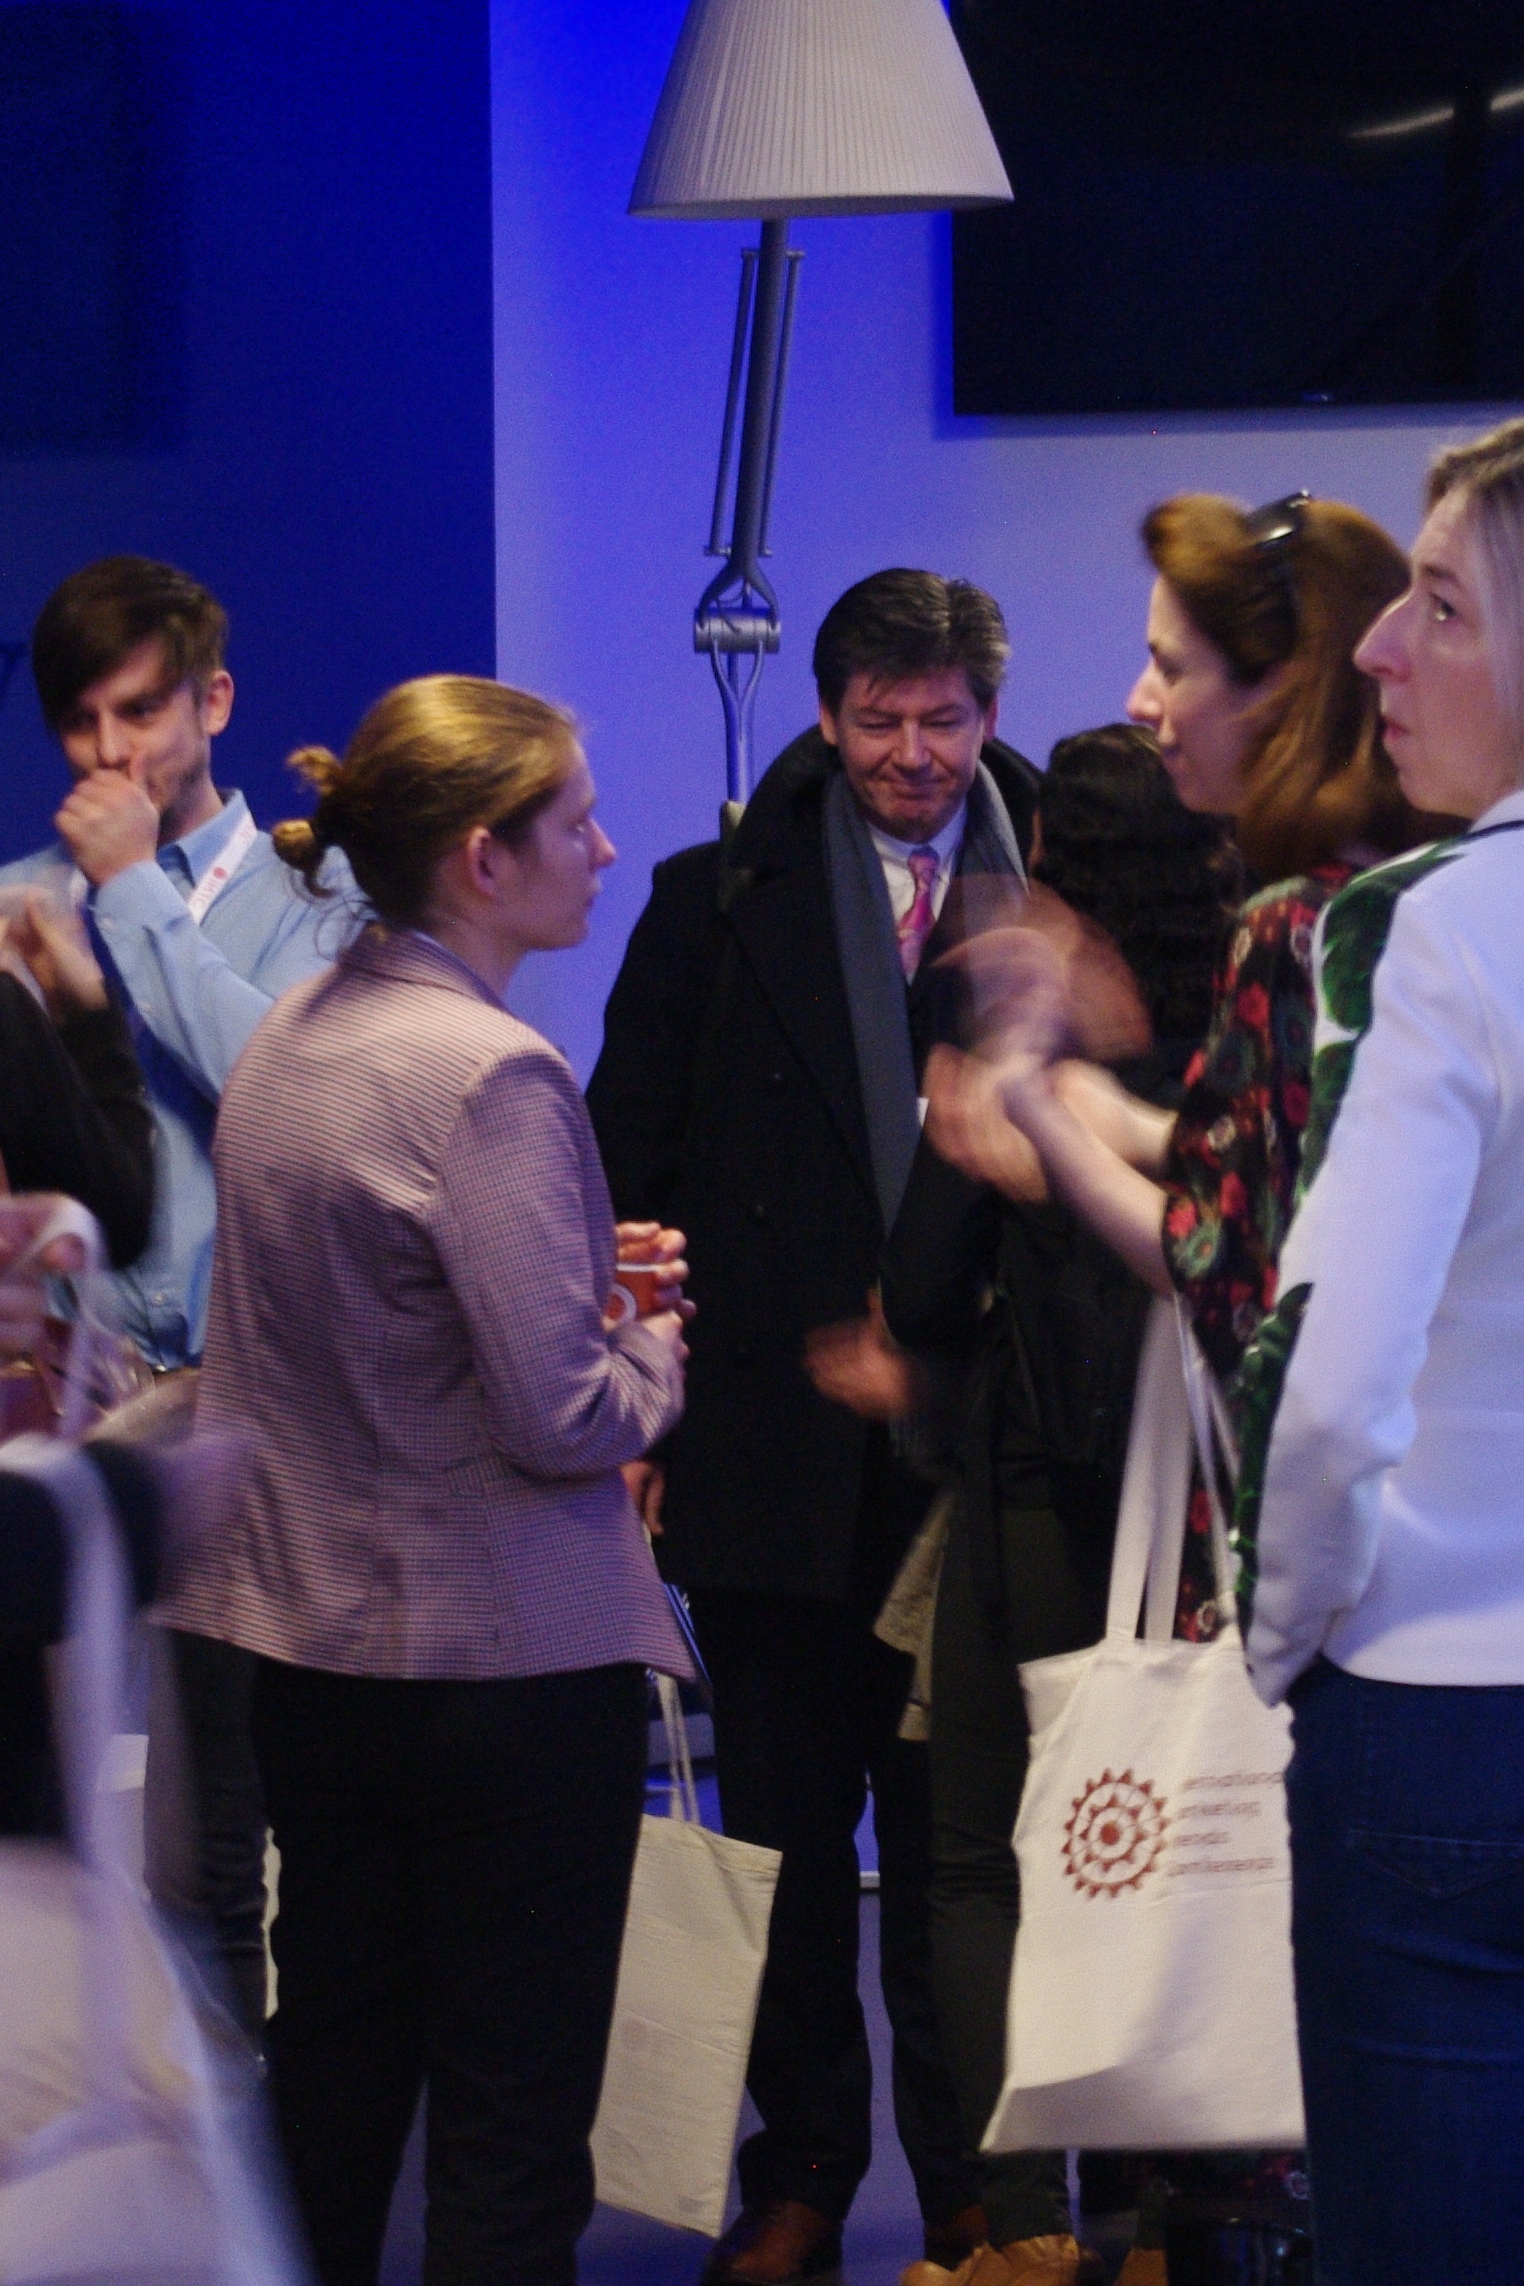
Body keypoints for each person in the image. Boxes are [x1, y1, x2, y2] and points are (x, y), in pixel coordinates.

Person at [161, 674, 692, 2286]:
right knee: (510, 2134)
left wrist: (569, 1274)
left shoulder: (290, 1042)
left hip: (316, 1661)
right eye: (576, 820)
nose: (605, 847)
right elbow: (561, 1413)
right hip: (504, 1676)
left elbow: (358, 1325)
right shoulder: (494, 1072)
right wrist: (656, 1345)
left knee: (330, 2088)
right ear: (482, 856)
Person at [586, 571, 1039, 2286]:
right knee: (779, 1838)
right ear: (830, 714)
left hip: (986, 1447)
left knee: (963, 1850)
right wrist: (638, 1404)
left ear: (988, 713)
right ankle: (801, 2173)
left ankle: (978, 2182)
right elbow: (629, 1166)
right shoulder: (714, 900)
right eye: (878, 720)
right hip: (775, 1437)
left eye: (943, 720)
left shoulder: (1059, 884)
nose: (912, 753)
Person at [809, 727, 1233, 2286]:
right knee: (1182, 1859)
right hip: (1210, 1516)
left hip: (1038, 1492)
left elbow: (924, 1284)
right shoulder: (1252, 1023)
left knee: (987, 1858)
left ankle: (1022, 2223)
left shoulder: (1027, 1042)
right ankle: (1173, 2225)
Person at [1231, 418, 1524, 2285]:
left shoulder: (1434, 928)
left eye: (1442, 606)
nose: (1376, 649)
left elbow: (1333, 1382)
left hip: (1447, 1716)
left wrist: (1282, 1633)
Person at [0, 555, 360, 2038]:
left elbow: (286, 1089)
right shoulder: (16, 904)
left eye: (141, 711)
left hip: (264, 1410)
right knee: (76, 1823)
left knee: (260, 1819)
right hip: (71, 1413)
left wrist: (135, 893)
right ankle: (133, 2119)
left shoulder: (322, 898)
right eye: (80, 721)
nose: (110, 754)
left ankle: (265, 2137)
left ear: (213, 701)